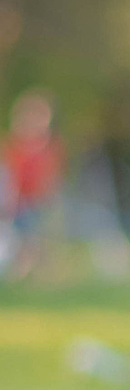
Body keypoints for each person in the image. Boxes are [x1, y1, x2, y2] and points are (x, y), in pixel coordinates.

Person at [4, 90, 64, 280]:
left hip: (40, 200)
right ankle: (22, 271)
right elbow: (9, 175)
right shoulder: (13, 146)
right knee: (24, 237)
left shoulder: (50, 146)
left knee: (38, 237)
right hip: (19, 201)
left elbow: (53, 176)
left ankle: (37, 272)